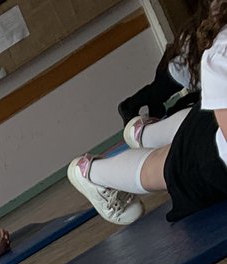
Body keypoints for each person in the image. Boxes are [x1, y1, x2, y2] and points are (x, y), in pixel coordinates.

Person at [68, 1, 227, 224]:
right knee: (168, 165)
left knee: (199, 120)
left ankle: (144, 133)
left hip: (208, 117)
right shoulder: (220, 50)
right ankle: (91, 173)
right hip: (212, 158)